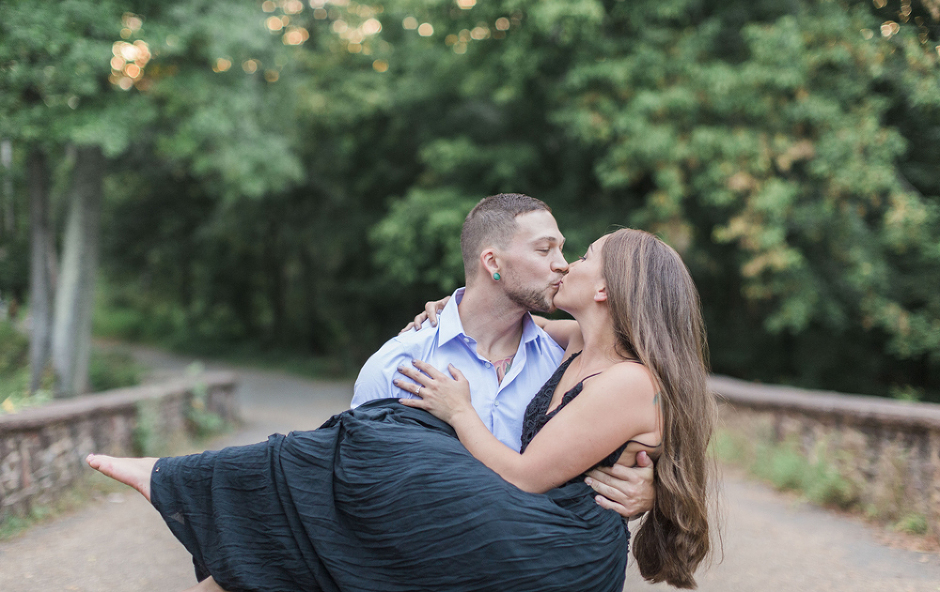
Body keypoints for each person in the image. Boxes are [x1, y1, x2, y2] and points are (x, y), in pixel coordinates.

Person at [86, 225, 717, 592]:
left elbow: (527, 476)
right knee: (388, 429)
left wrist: (459, 408)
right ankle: (192, 487)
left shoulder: (631, 381)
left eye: (581, 258)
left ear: (604, 288)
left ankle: (180, 479)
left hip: (555, 546)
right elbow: (492, 318)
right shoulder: (577, 342)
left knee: (400, 435)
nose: (567, 264)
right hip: (526, 523)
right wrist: (447, 308)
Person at [353, 194, 655, 517]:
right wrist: (454, 306)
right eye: (544, 249)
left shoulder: (566, 362)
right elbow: (357, 482)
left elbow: (647, 424)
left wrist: (653, 489)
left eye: (565, 250)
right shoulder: (398, 363)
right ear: (493, 263)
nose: (563, 264)